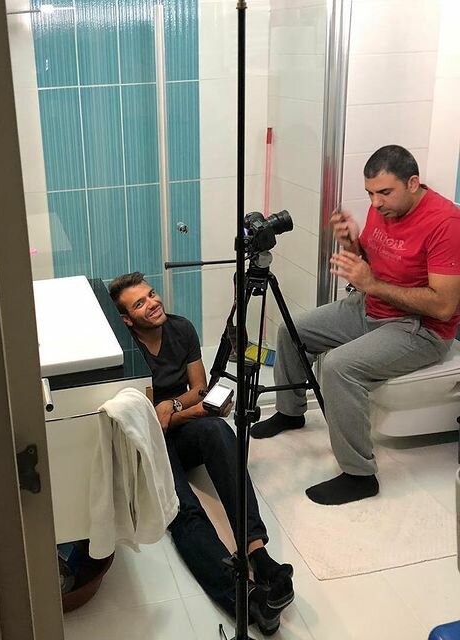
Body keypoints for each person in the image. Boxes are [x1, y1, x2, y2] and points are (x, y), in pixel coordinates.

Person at [251, 144, 460, 505]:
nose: (375, 203)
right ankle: (290, 412)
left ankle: (360, 476)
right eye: (370, 194)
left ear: (413, 183)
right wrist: (351, 242)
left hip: (419, 328)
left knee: (339, 367)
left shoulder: (446, 224)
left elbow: (443, 307)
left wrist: (371, 284)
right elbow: (370, 261)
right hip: (370, 306)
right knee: (291, 330)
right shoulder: (386, 207)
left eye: (384, 193)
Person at [109, 272, 294, 634]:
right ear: (128, 319)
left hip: (178, 428)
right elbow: (151, 423)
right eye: (140, 304)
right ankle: (245, 598)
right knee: (182, 508)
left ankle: (258, 553)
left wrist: (175, 406)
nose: (153, 303)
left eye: (152, 294)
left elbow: (199, 388)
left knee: (218, 430)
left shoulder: (181, 329)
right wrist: (183, 410)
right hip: (149, 441)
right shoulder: (127, 351)